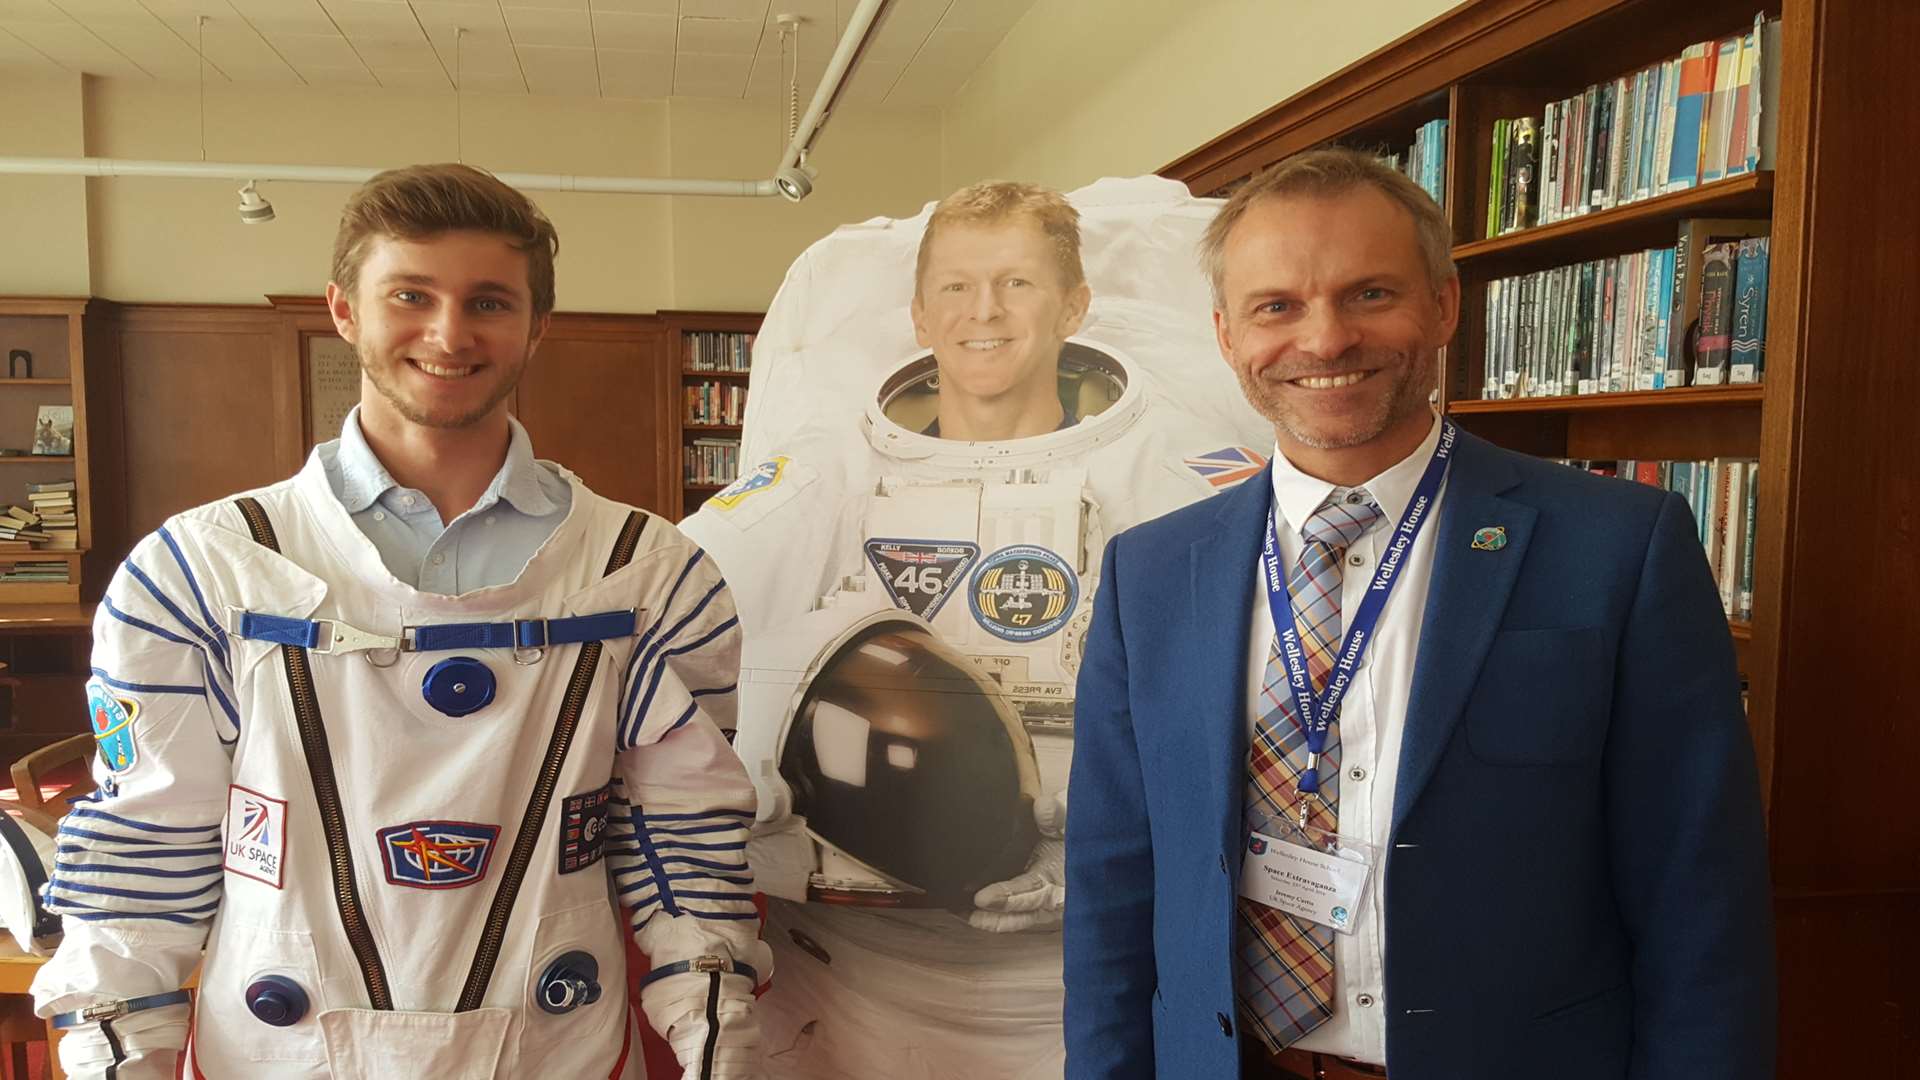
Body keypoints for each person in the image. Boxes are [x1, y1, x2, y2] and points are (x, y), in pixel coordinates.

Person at [31, 163, 771, 1080]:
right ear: (345, 309)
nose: (449, 333)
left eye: (490, 302)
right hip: (274, 1051)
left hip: (554, 1046)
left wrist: (715, 1022)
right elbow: (149, 835)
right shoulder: (201, 570)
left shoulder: (650, 575)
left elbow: (682, 835)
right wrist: (118, 1046)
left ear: (538, 326)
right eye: (410, 295)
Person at [1063, 147, 1775, 1080]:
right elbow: (1114, 885)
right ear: (1227, 334)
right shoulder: (1150, 573)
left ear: (1443, 304)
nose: (1323, 341)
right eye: (1276, 306)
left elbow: (1700, 895)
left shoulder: (1619, 547)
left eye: (1369, 294)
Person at [681, 177, 1270, 1078]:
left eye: (1018, 283)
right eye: (956, 287)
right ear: (919, 315)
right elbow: (674, 608)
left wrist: (1117, 852)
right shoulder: (828, 468)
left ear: (1076, 306)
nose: (983, 311)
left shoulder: (1176, 467)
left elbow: (1275, 689)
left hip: (1084, 978)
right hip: (850, 984)